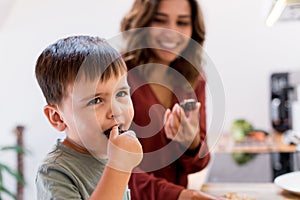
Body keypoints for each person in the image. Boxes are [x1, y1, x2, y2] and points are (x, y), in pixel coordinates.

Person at [120, 0, 220, 199]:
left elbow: (199, 162)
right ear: (142, 22)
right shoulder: (117, 74)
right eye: (160, 20)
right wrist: (183, 196)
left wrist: (191, 144)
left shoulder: (194, 78)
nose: (172, 32)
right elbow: (111, 168)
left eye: (182, 22)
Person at [34, 35, 143, 200]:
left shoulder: (109, 156)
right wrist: (119, 166)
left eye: (121, 93)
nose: (116, 110)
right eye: (96, 100)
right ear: (57, 117)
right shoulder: (55, 172)